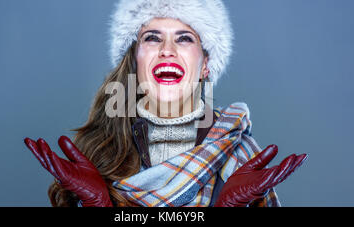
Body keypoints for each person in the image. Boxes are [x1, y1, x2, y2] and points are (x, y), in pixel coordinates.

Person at [24, 0, 307, 207]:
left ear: (205, 64)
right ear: (135, 59)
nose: (167, 51)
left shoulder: (242, 155)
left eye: (184, 39)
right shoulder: (99, 152)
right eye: (152, 38)